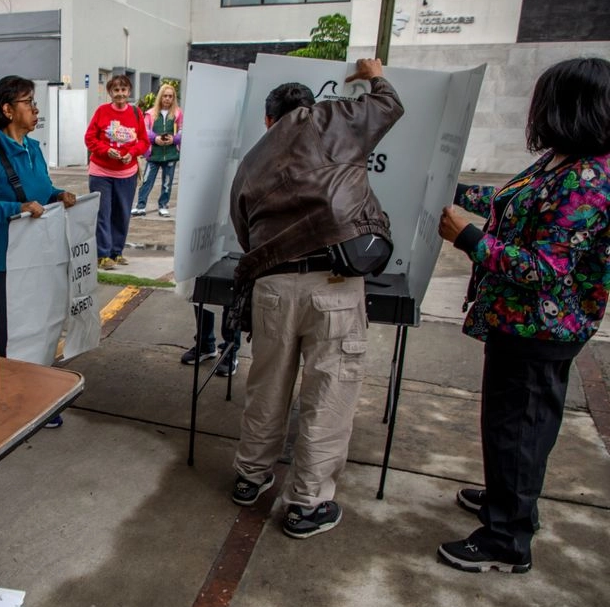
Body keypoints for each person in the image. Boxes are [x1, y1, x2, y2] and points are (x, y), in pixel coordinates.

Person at [436, 57, 610, 573]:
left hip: (543, 327)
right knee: (510, 425)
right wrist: (454, 190)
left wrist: (470, 239)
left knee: (520, 428)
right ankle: (507, 503)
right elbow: (513, 203)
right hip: (518, 324)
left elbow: (546, 269)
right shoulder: (562, 160)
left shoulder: (589, 178)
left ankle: (506, 540)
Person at [227, 58, 404, 539]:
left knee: (267, 385)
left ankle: (250, 477)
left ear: (268, 119)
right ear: (309, 107)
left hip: (272, 287)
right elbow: (389, 105)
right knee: (329, 393)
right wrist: (374, 71)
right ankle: (306, 505)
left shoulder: (252, 159)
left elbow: (246, 234)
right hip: (334, 284)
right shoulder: (329, 118)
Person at [0, 75, 77, 426]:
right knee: (8, 336)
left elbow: (39, 189)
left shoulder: (33, 148)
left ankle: (34, 398)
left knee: (37, 329)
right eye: (29, 102)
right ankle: (9, 404)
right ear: (7, 110)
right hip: (3, 262)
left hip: (36, 259)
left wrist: (57, 195)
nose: (36, 109)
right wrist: (14, 209)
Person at [85, 75, 148, 270]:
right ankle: (103, 255)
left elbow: (144, 142)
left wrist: (132, 153)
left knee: (122, 214)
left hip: (126, 173)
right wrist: (105, 150)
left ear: (129, 92)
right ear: (110, 93)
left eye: (123, 90)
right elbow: (89, 138)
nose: (120, 94)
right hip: (101, 172)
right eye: (116, 90)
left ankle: (116, 251)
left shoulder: (136, 113)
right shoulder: (102, 112)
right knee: (103, 213)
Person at [132, 83, 181, 218]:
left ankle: (163, 206)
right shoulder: (150, 113)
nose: (167, 99)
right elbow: (145, 130)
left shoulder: (177, 114)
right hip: (154, 154)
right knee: (147, 180)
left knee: (167, 182)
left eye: (170, 96)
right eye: (165, 96)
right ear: (160, 97)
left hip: (170, 154)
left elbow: (182, 130)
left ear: (173, 98)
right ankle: (140, 205)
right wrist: (156, 138)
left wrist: (174, 139)